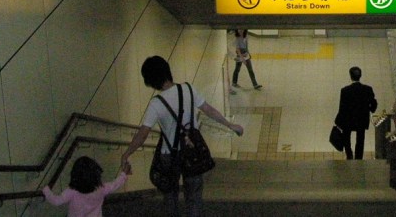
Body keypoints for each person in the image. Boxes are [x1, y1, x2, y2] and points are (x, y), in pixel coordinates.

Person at [121, 56, 244, 217]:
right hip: (192, 151)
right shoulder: (188, 89)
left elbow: (142, 134)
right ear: (167, 71)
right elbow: (209, 110)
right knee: (194, 196)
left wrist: (127, 153)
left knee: (169, 196)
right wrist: (230, 125)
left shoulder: (156, 103)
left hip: (168, 155)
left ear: (151, 80)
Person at [42, 155, 130, 217]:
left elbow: (57, 201)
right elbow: (115, 184)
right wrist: (124, 173)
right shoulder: (101, 188)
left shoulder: (72, 191)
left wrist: (46, 189)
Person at [334, 66, 378, 160]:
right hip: (362, 119)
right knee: (360, 139)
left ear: (350, 76)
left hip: (348, 119)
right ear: (360, 75)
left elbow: (342, 107)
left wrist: (338, 120)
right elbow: (373, 103)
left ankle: (349, 155)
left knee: (346, 138)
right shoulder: (367, 89)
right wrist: (369, 108)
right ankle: (359, 158)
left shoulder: (345, 90)